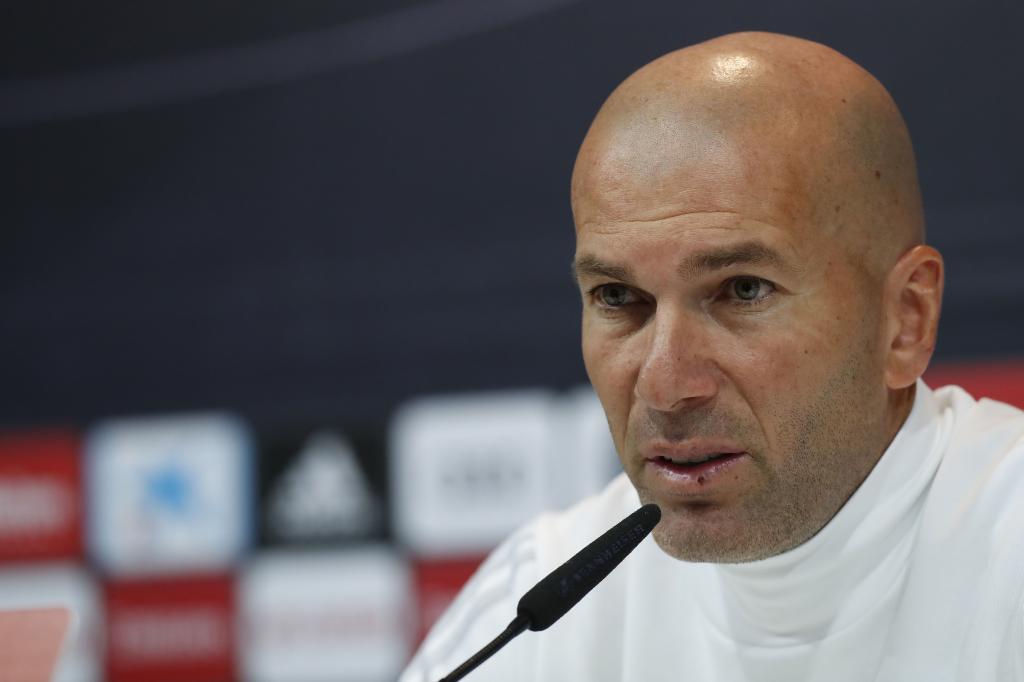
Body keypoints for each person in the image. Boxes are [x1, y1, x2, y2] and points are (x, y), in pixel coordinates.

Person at [400, 31, 1024, 681]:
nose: (666, 385)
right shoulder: (546, 601)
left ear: (905, 320)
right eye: (618, 297)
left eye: (743, 290)